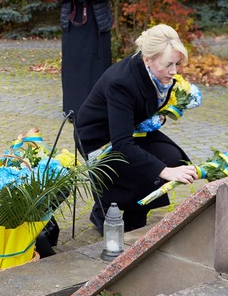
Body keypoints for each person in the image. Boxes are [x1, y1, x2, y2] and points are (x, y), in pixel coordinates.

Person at [75, 24, 199, 233]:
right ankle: (107, 208)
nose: (174, 71)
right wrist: (165, 171)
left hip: (130, 129)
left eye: (177, 64)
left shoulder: (157, 76)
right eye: (168, 64)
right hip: (99, 140)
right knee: (157, 167)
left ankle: (138, 210)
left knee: (173, 156)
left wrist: (160, 117)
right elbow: (122, 144)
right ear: (147, 59)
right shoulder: (121, 83)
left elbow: (146, 107)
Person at [48, 0, 122, 120]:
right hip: (73, 26)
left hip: (97, 25)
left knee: (98, 69)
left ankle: (99, 111)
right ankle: (72, 110)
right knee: (73, 69)